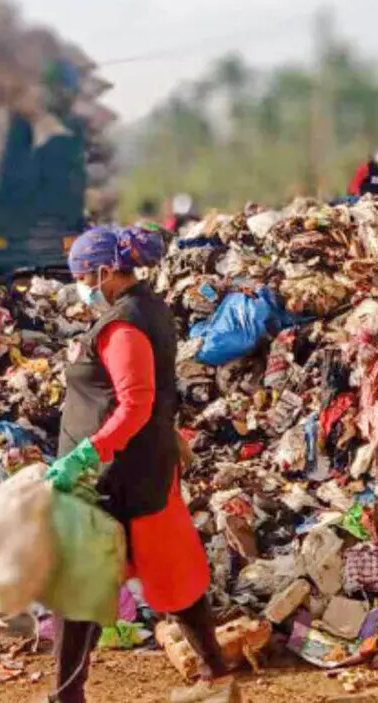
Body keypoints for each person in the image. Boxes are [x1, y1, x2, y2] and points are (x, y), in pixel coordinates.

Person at [44, 226, 226, 703]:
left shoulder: (123, 325)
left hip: (111, 477)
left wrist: (85, 455)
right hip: (143, 468)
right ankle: (216, 675)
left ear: (106, 272)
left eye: (84, 275)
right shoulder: (147, 308)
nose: (81, 284)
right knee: (172, 572)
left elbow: (135, 404)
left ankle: (66, 697)